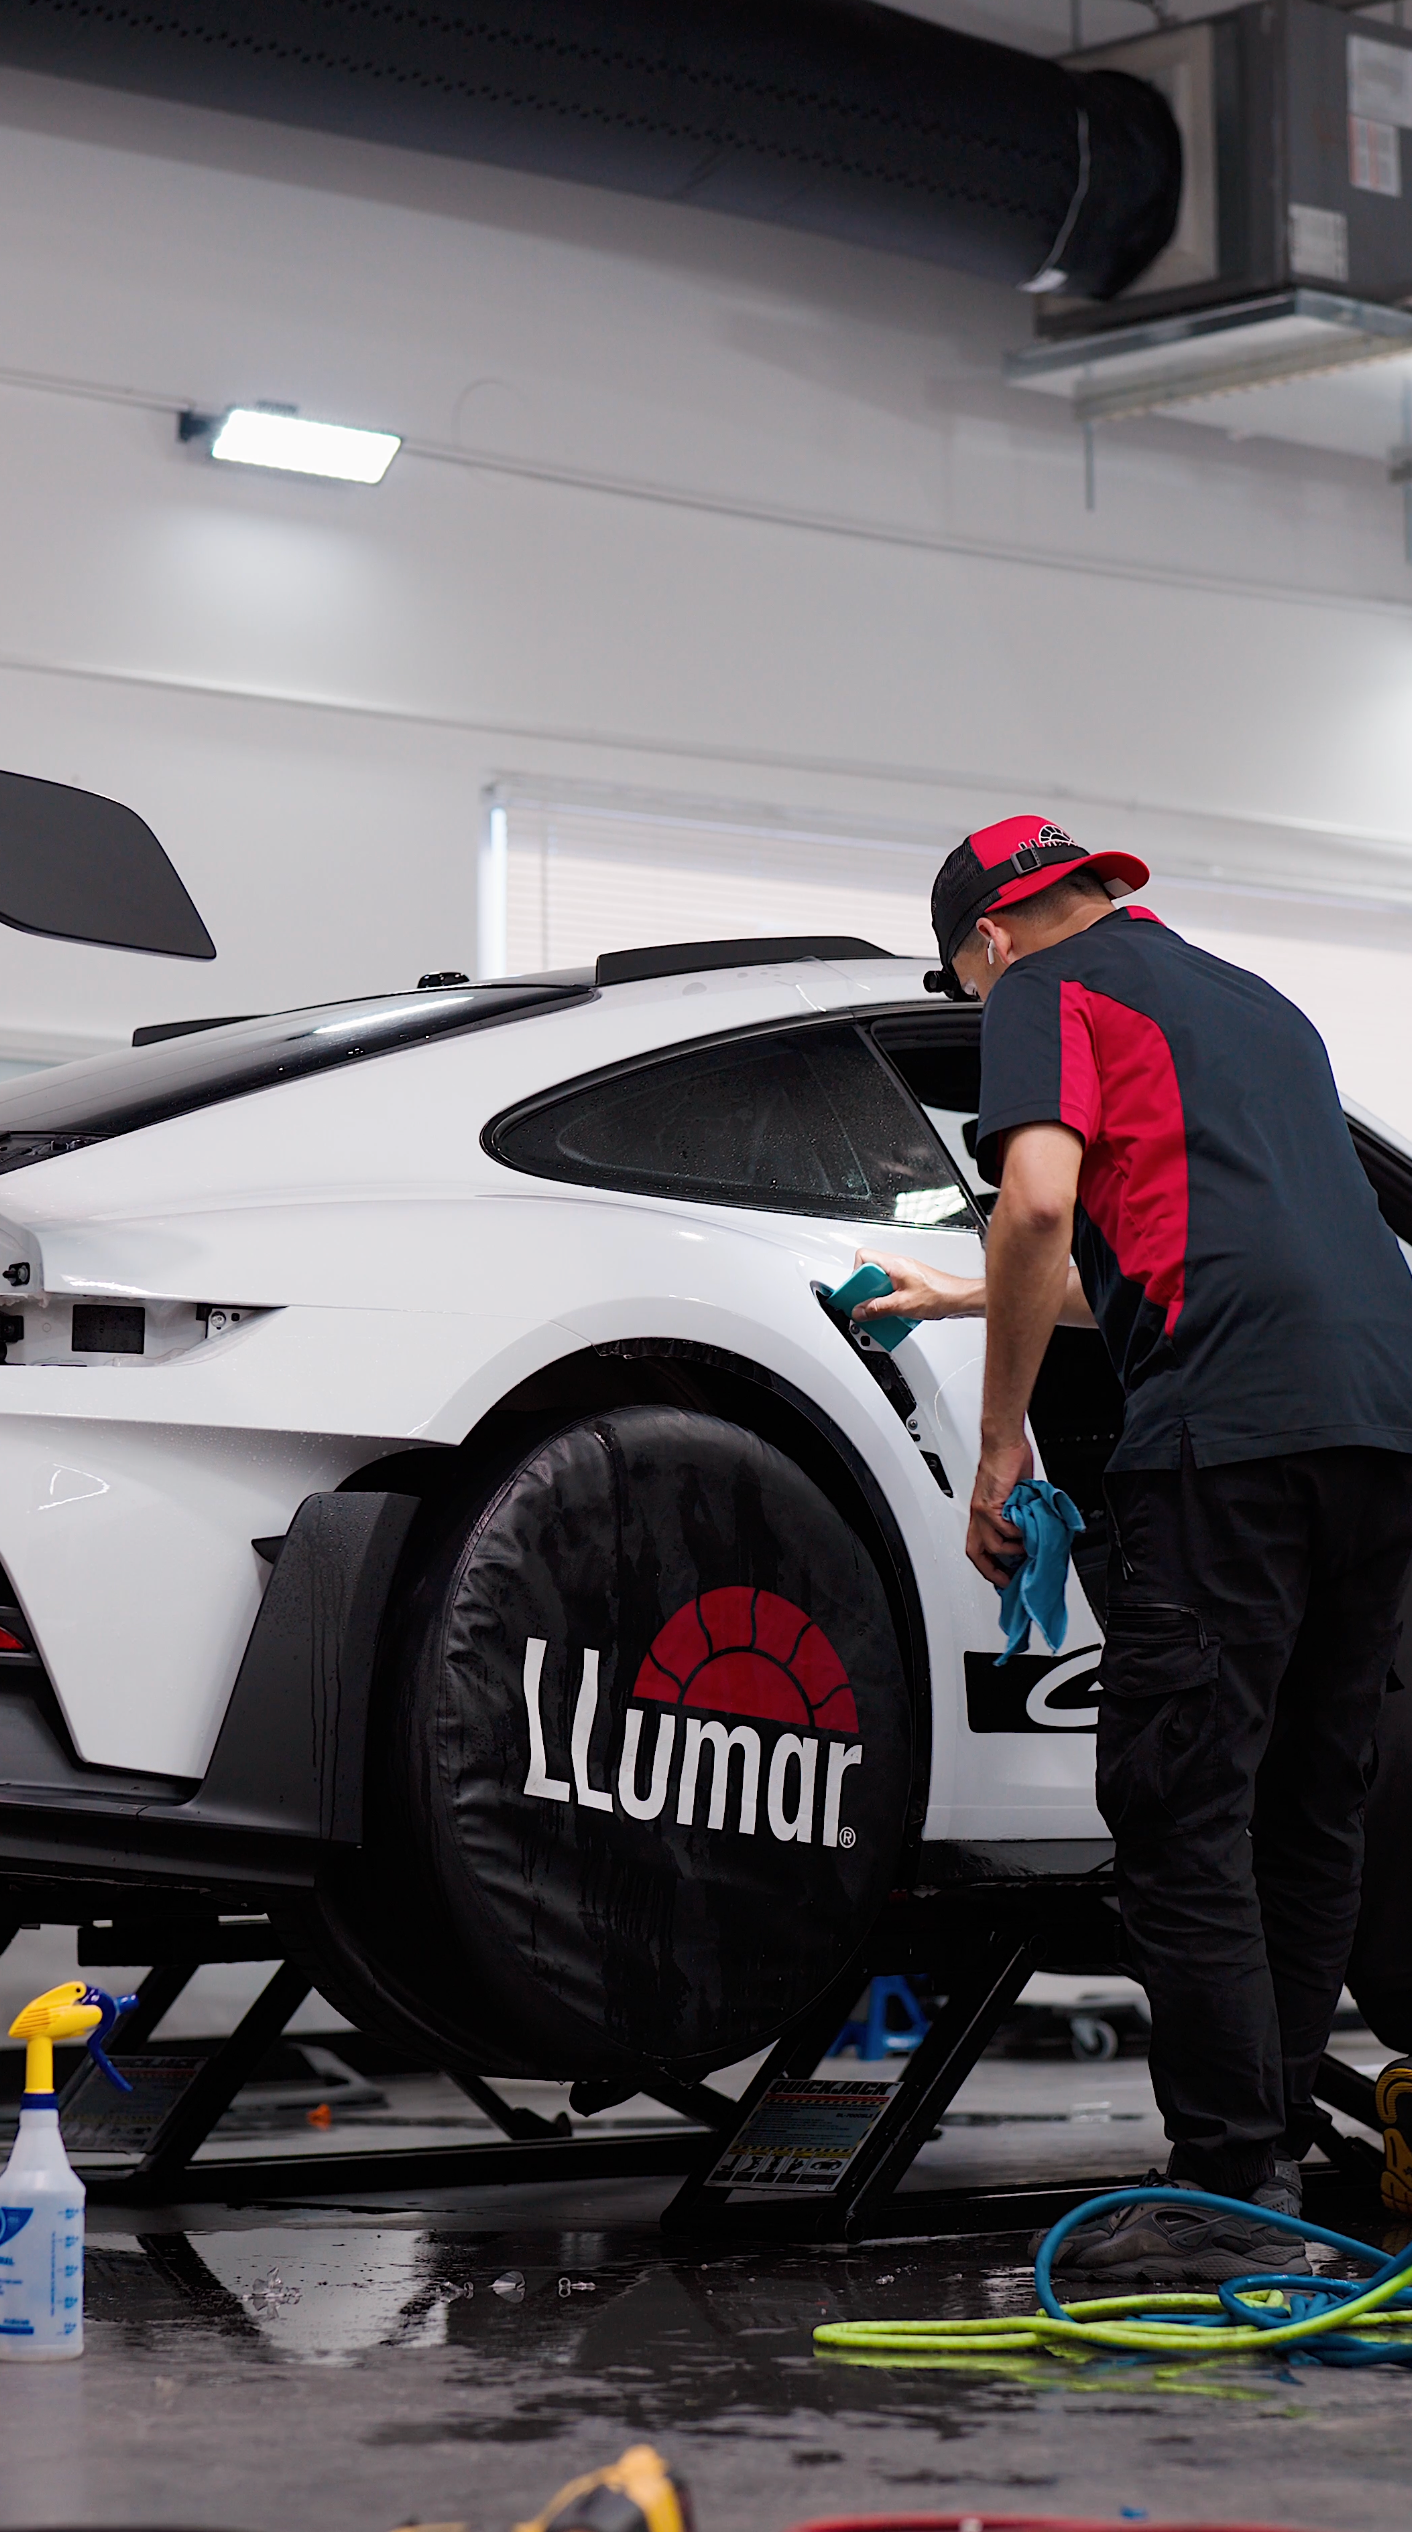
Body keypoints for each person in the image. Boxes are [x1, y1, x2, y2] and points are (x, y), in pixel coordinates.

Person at [854, 814, 1412, 2284]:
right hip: (1379, 1430)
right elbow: (1187, 1254)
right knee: (1308, 1808)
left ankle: (1222, 2188)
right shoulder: (1260, 1006)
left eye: (964, 985)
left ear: (989, 938)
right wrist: (973, 1296)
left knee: (1178, 1807)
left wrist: (997, 1443)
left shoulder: (1045, 988)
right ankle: (1271, 2170)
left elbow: (1039, 1197)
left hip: (1224, 1440)